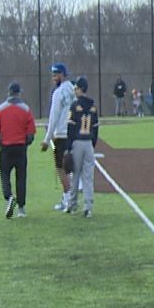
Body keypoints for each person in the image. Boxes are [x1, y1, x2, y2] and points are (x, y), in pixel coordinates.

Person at [0, 81, 35, 218]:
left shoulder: (1, 109)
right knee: (21, 177)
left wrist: (1, 144)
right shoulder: (26, 109)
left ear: (8, 93)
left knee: (4, 174)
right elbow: (31, 133)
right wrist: (25, 143)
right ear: (18, 93)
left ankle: (9, 196)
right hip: (20, 147)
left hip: (6, 147)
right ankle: (21, 208)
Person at [64, 76, 99, 218]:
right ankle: (88, 207)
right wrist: (92, 144)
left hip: (77, 142)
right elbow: (96, 129)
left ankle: (72, 205)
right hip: (89, 143)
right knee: (88, 177)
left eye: (77, 88)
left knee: (75, 175)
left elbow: (70, 129)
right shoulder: (93, 107)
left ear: (81, 89)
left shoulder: (74, 106)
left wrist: (68, 147)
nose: (75, 90)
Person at [43, 62, 75, 211]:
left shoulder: (58, 93)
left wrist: (47, 139)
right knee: (71, 167)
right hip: (74, 133)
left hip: (61, 134)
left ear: (62, 75)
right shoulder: (74, 90)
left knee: (60, 168)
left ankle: (68, 198)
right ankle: (68, 197)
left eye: (55, 75)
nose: (53, 78)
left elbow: (53, 117)